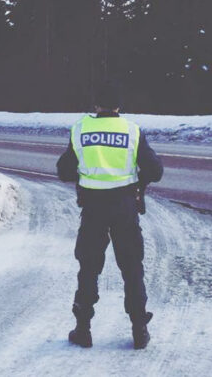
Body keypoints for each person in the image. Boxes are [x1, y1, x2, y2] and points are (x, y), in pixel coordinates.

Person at [56, 82, 163, 350]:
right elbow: (155, 170)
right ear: (119, 106)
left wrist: (87, 171)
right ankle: (139, 328)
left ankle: (83, 329)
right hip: (125, 207)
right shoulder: (132, 131)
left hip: (92, 209)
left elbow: (64, 171)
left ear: (96, 105)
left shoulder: (81, 129)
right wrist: (139, 183)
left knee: (89, 268)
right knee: (131, 267)